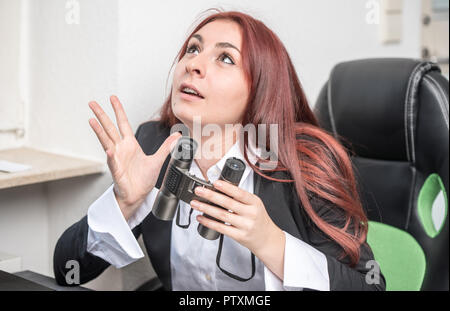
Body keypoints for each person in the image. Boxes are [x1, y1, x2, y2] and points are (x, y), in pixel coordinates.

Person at [53, 9, 386, 291]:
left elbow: (370, 285)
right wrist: (125, 203)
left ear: (260, 89)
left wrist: (271, 242)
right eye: (193, 50)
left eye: (225, 58)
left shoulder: (305, 161)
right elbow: (68, 271)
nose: (194, 65)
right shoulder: (155, 145)